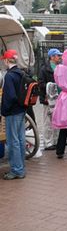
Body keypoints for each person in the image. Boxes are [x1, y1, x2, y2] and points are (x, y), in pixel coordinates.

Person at [1, 50, 26, 180]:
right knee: (21, 140)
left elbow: (10, 97)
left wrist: (4, 110)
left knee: (13, 142)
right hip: (22, 110)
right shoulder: (21, 73)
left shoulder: (9, 76)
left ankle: (16, 170)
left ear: (7, 60)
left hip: (12, 112)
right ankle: (21, 167)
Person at [38, 48, 62, 150]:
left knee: (57, 120)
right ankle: (48, 142)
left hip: (59, 98)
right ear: (52, 57)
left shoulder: (60, 67)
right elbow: (40, 83)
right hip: (49, 99)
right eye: (58, 56)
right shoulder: (44, 69)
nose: (60, 57)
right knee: (48, 121)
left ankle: (56, 141)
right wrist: (51, 87)